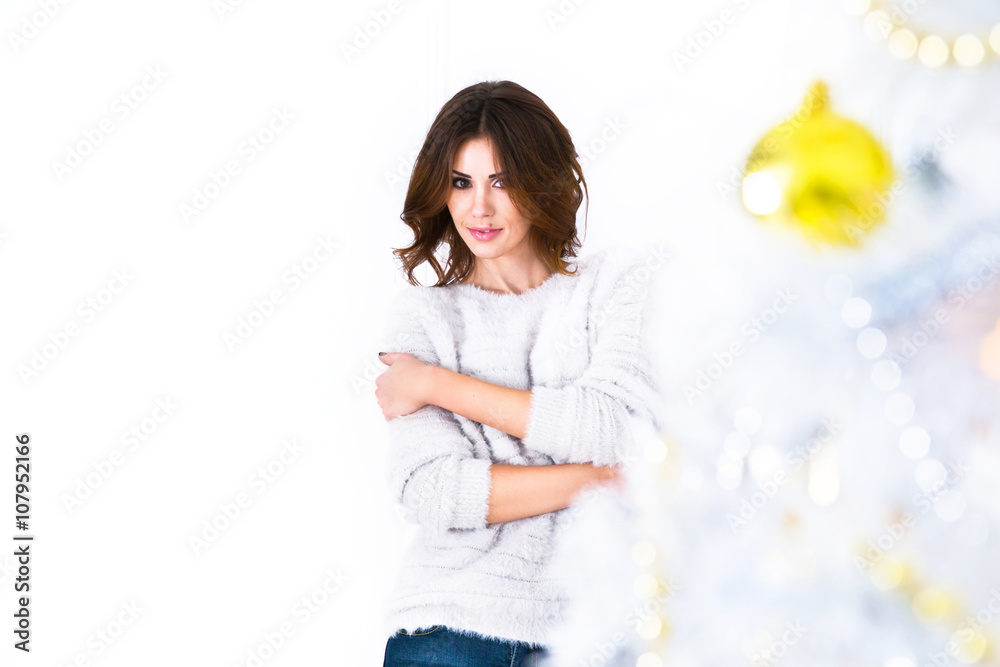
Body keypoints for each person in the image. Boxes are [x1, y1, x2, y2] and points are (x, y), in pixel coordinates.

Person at [375, 80, 666, 667]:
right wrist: (603, 479)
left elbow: (617, 428)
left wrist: (437, 385)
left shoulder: (616, 284)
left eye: (501, 181)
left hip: (597, 631)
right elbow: (433, 491)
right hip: (447, 631)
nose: (478, 208)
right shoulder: (423, 319)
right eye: (461, 182)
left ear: (544, 180)